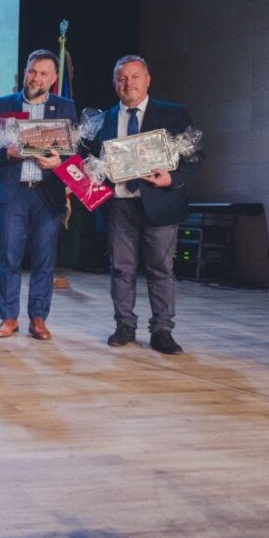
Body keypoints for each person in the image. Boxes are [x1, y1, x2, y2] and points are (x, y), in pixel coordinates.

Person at [88, 55, 199, 354]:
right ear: (115, 84)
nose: (129, 83)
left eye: (135, 76)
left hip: (161, 205)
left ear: (148, 80)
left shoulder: (174, 114)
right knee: (121, 269)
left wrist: (172, 178)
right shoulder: (102, 120)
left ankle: (162, 330)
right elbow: (91, 162)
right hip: (118, 206)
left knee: (161, 270)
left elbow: (194, 156)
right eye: (122, 78)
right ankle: (124, 326)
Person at [0, 49, 78, 341]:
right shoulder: (4, 104)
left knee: (44, 260)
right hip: (13, 193)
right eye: (32, 71)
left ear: (53, 79)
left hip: (47, 194)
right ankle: (8, 317)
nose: (36, 78)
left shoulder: (64, 107)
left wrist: (59, 163)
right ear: (25, 72)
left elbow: (74, 150)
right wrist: (8, 152)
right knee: (9, 258)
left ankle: (38, 318)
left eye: (43, 73)